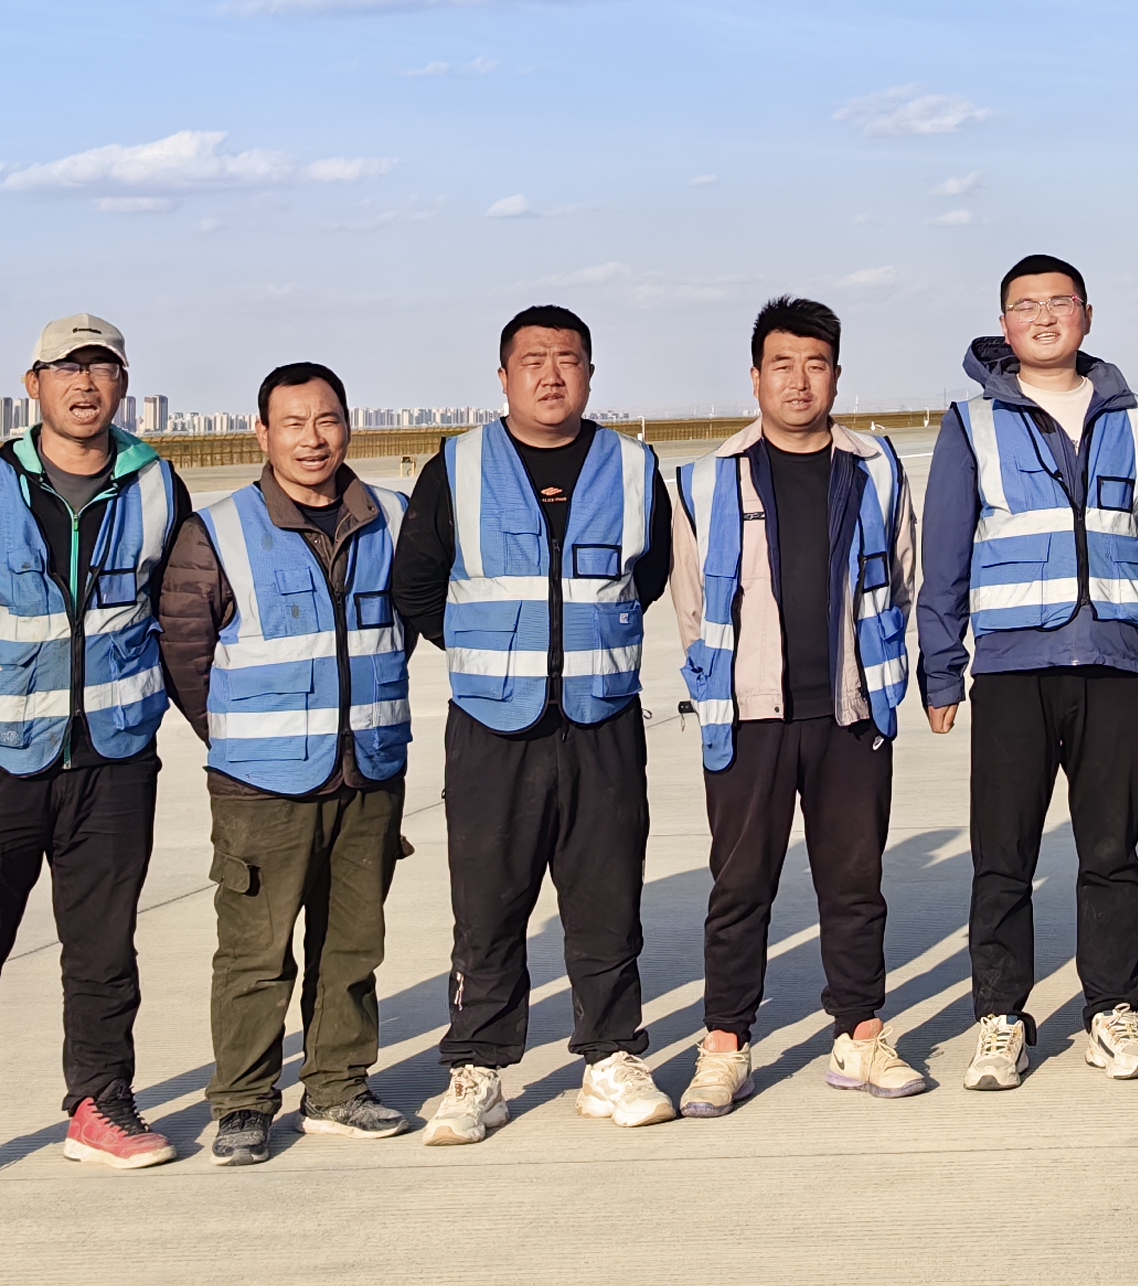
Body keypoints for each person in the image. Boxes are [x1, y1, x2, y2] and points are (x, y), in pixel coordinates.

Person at [0, 312, 197, 1207]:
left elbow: (180, 606)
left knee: (104, 950)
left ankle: (100, 1104)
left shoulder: (157, 485)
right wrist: (3, 691)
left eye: (103, 368)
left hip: (113, 761)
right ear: (34, 384)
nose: (85, 384)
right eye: (67, 368)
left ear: (122, 383)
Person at [387, 303, 678, 1147]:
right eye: (533, 360)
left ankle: (610, 1058)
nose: (552, 375)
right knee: (488, 902)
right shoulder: (458, 466)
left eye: (568, 359)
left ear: (589, 372)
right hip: (492, 724)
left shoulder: (632, 466)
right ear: (504, 375)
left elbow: (648, 574)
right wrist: (500, 651)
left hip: (601, 718)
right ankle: (478, 1069)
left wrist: (578, 643)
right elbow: (417, 586)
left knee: (606, 897)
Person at [916, 253, 1138, 1094]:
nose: (1043, 318)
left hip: (1113, 662)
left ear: (1087, 315)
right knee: (1004, 855)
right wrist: (940, 668)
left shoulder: (1136, 418)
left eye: (1058, 303)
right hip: (1012, 668)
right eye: (1025, 306)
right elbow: (943, 555)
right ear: (1004, 324)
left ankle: (1112, 1009)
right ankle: (1001, 1018)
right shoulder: (973, 424)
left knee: (1112, 850)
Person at [666, 296, 932, 1113]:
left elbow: (902, 577)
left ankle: (860, 1035)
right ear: (755, 377)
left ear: (837, 376)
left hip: (851, 713)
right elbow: (690, 601)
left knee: (854, 883)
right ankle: (724, 1044)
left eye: (816, 365)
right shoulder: (708, 479)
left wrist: (875, 678)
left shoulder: (876, 468)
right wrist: (725, 685)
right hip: (748, 716)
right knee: (740, 886)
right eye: (782, 364)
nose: (799, 381)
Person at [154, 358, 414, 1165]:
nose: (312, 438)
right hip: (259, 784)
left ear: (349, 426)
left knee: (353, 947)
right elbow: (185, 653)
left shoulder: (393, 519)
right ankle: (242, 1103)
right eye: (293, 423)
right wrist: (241, 736)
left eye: (326, 419)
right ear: (261, 434)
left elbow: (407, 626)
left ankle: (337, 1087)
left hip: (368, 771)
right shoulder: (216, 531)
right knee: (255, 954)